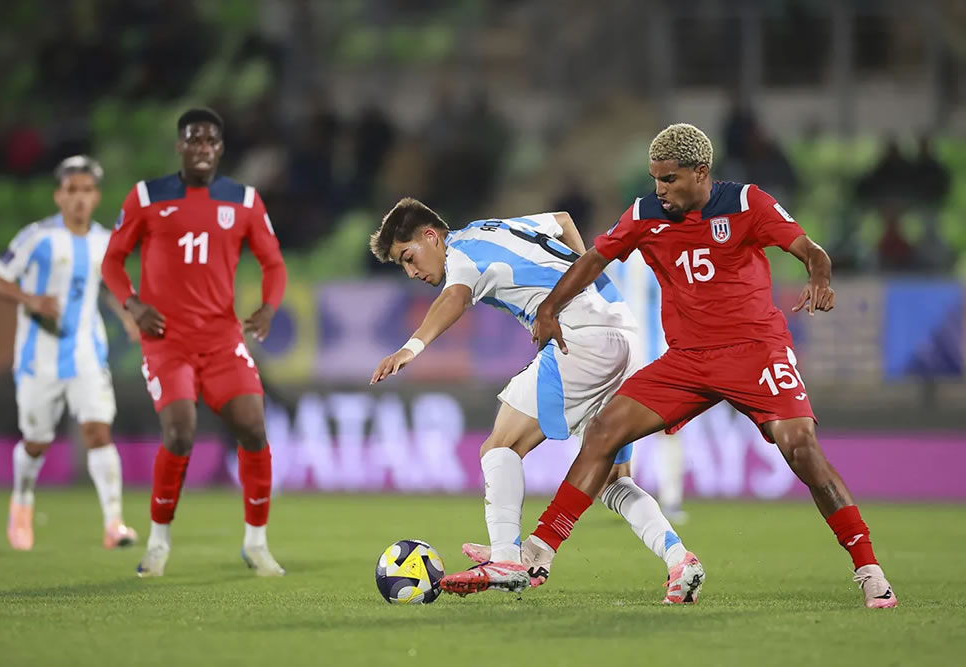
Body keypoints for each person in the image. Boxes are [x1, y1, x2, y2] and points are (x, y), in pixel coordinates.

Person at [498, 123, 896, 609]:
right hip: (687, 361)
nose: (659, 190)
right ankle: (541, 548)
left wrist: (819, 277)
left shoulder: (748, 203)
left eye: (668, 179)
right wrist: (549, 307)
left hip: (755, 351)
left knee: (801, 447)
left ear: (700, 173)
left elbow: (810, 250)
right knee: (603, 432)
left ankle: (869, 567)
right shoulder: (646, 214)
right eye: (655, 179)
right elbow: (595, 259)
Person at [369, 199, 705, 603]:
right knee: (613, 479)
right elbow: (563, 221)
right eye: (402, 266)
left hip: (581, 338)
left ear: (430, 236)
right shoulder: (492, 227)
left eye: (409, 258)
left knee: (501, 446)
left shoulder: (460, 253)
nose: (412, 272)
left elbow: (454, 298)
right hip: (625, 334)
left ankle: (508, 560)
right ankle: (679, 559)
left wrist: (411, 348)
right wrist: (584, 280)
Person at [102, 108, 288, 577]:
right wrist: (133, 304)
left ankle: (257, 543)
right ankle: (159, 543)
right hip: (167, 340)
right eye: (193, 139)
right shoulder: (147, 196)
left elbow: (274, 264)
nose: (202, 146)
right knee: (180, 432)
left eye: (210, 140)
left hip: (223, 338)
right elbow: (113, 261)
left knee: (253, 427)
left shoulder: (244, 200)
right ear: (180, 145)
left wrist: (268, 307)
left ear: (220, 148)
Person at [0, 155, 140, 551]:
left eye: (86, 190)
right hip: (39, 357)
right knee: (36, 441)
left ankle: (114, 525)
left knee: (98, 430)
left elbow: (109, 286)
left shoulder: (105, 242)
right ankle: (21, 503)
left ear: (96, 196)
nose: (79, 199)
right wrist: (32, 299)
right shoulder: (36, 238)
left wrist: (126, 318)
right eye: (72, 190)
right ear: (59, 195)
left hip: (87, 352)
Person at [605, 250, 687, 524]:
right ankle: (643, 499)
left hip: (646, 354)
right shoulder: (660, 254)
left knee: (647, 430)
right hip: (643, 353)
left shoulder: (620, 258)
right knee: (640, 430)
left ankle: (649, 499)